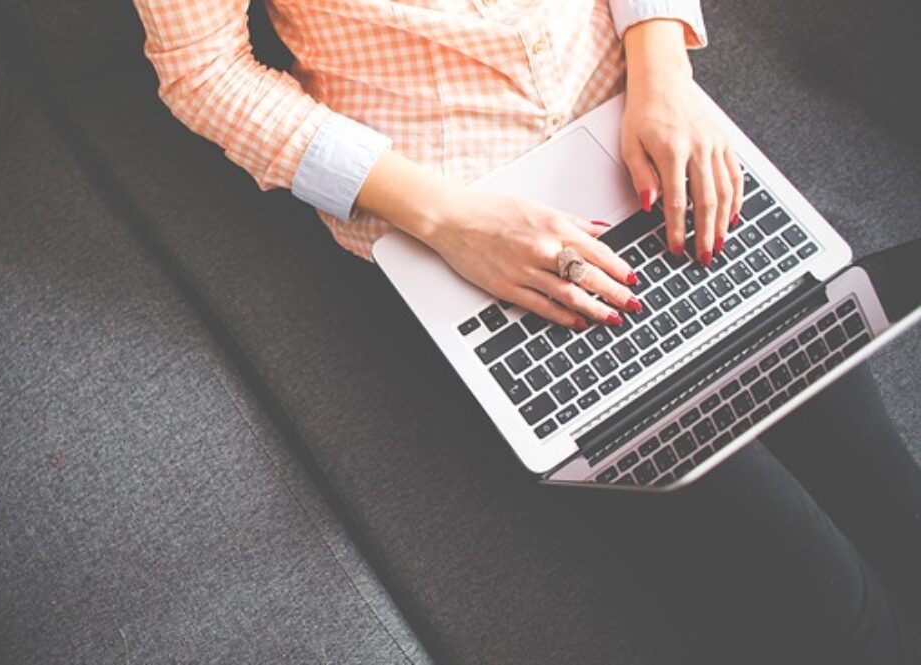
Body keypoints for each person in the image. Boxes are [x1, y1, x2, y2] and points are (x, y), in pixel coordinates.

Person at [132, 1, 921, 661]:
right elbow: (205, 71)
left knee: (890, 497)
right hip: (467, 219)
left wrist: (664, 73)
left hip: (638, 129)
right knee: (828, 598)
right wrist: (450, 218)